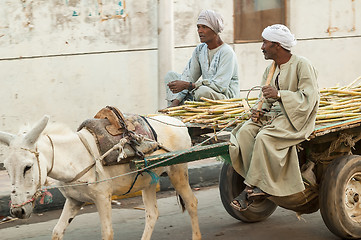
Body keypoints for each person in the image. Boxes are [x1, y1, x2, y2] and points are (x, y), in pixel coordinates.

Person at [228, 24, 319, 212]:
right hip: (273, 116)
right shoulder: (271, 69)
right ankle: (260, 180)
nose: (262, 47)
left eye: (265, 43)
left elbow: (309, 99)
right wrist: (258, 110)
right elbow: (265, 98)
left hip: (296, 118)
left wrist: (279, 95)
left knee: (264, 138)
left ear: (277, 45)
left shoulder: (302, 65)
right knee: (244, 133)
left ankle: (249, 190)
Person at [165, 9, 240, 107]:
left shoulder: (227, 52)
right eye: (198, 27)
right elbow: (188, 77)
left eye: (204, 27)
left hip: (224, 98)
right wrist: (176, 101)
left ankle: (189, 103)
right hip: (202, 92)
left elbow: (220, 86)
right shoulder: (200, 50)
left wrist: (190, 86)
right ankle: (175, 107)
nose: (200, 31)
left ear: (214, 29)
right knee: (171, 76)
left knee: (201, 91)